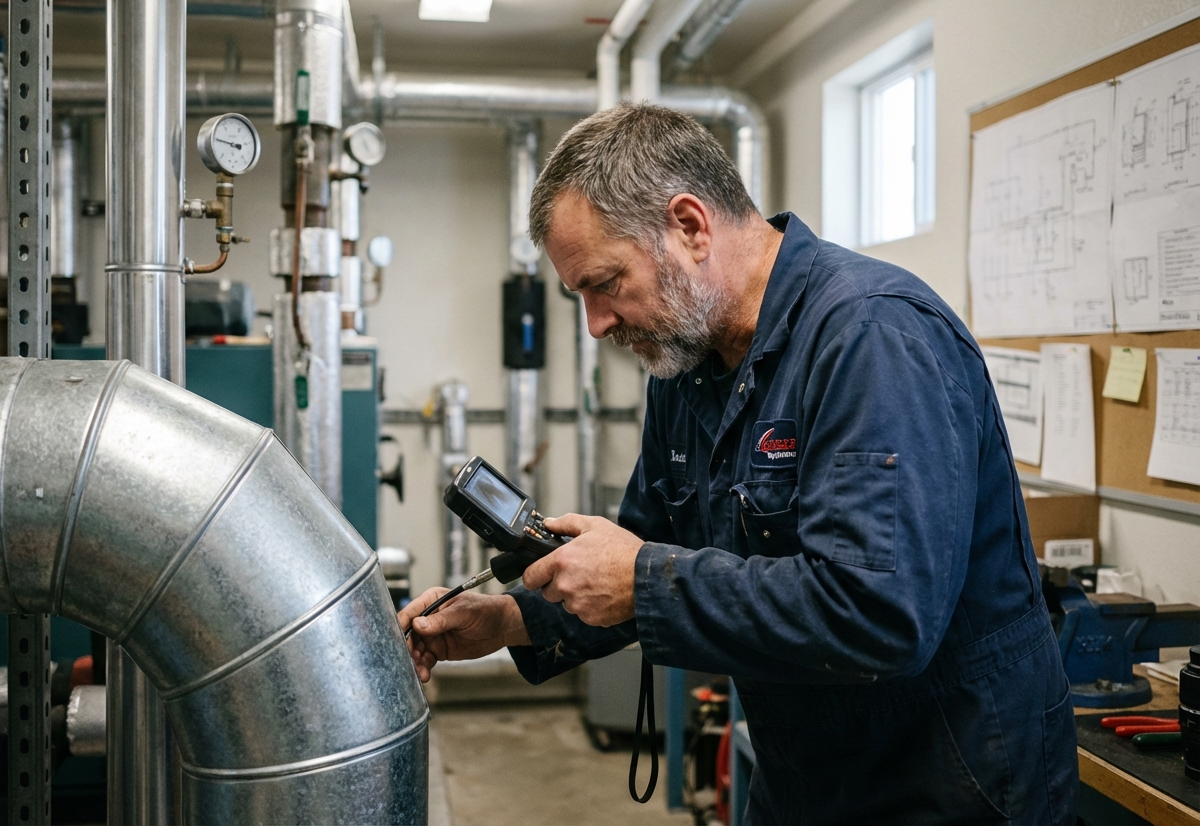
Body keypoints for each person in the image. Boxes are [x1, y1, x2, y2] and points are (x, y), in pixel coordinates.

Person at [400, 103, 1078, 825]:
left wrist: (640, 579)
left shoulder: (873, 337)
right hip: (804, 777)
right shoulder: (685, 366)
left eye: (606, 283)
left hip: (949, 785)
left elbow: (878, 613)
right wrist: (509, 620)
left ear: (690, 227)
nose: (596, 324)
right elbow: (643, 555)